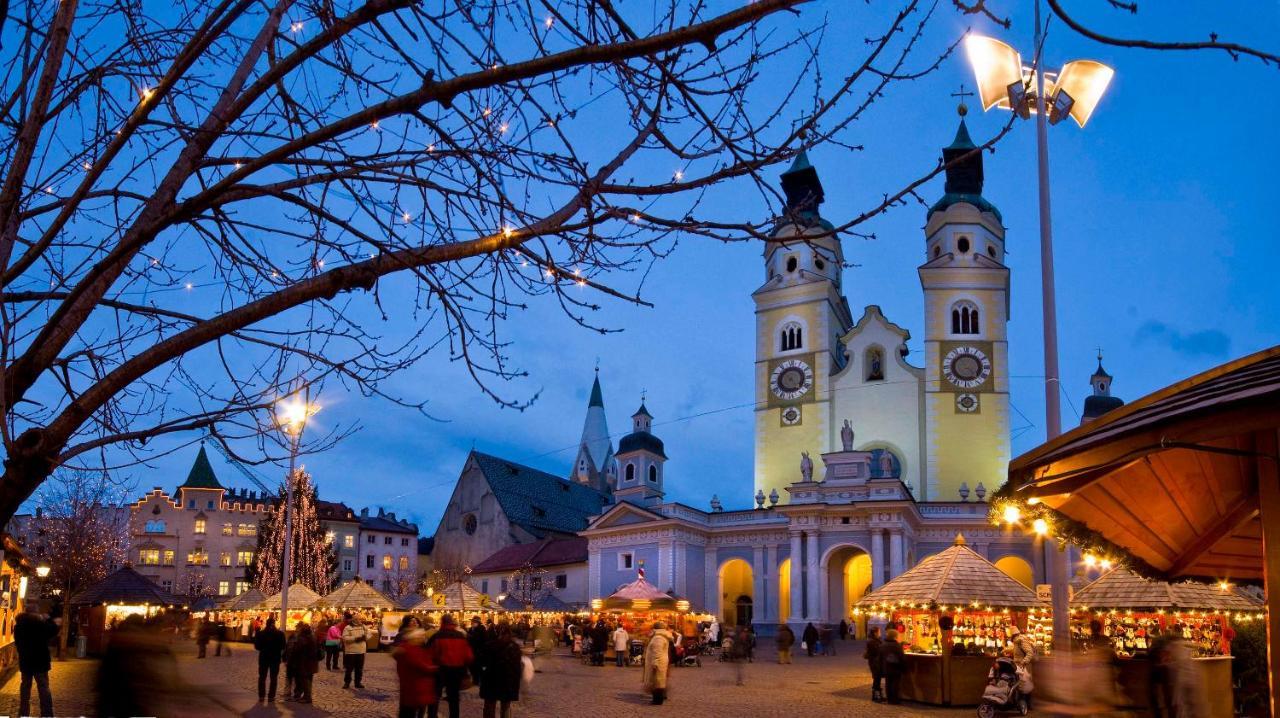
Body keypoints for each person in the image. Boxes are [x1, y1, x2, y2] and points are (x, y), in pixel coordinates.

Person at [427, 614, 474, 718]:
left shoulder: (437, 636)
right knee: (454, 698)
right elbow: (469, 656)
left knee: (435, 696)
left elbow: (430, 655)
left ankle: (432, 715)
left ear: (442, 622)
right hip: (457, 671)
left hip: (440, 670)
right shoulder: (461, 636)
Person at [14, 605, 57, 717]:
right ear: (36, 613)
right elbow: (53, 630)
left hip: (26, 662)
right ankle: (46, 713)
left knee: (25, 687)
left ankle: (23, 713)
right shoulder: (41, 624)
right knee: (43, 687)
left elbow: (18, 644)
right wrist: (49, 619)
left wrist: (23, 654)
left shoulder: (19, 626)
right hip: (40, 662)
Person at [480, 622, 524, 718]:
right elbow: (518, 667)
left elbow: (483, 663)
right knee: (505, 707)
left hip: (491, 680)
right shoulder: (514, 647)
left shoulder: (489, 646)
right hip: (508, 681)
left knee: (489, 706)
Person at [393, 627, 438, 718]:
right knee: (410, 711)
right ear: (414, 638)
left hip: (412, 686)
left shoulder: (408, 648)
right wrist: (434, 668)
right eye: (420, 637)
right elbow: (421, 665)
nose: (422, 639)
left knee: (408, 710)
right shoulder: (411, 650)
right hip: (415, 686)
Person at [253, 616, 286, 702]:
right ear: (274, 624)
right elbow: (283, 646)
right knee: (273, 678)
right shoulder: (280, 634)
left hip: (264, 657)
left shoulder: (260, 634)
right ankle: (271, 696)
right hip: (275, 658)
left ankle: (261, 696)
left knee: (262, 677)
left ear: (266, 624)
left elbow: (257, 647)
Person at [643, 621, 675, 705]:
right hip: (662, 661)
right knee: (659, 680)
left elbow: (657, 651)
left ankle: (657, 700)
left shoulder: (658, 638)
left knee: (657, 681)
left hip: (658, 662)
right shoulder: (661, 636)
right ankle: (658, 698)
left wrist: (655, 662)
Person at [288, 622, 320, 703]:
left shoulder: (302, 639)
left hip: (304, 663)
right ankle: (306, 696)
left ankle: (307, 697)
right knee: (309, 679)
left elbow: (296, 650)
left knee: (305, 680)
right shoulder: (313, 637)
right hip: (313, 662)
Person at [342, 611, 370, 689]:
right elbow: (345, 638)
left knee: (359, 669)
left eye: (360, 619)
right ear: (353, 620)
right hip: (351, 652)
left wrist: (365, 637)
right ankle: (347, 682)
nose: (359, 620)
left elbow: (369, 635)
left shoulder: (363, 627)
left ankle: (358, 682)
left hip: (361, 651)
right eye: (357, 619)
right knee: (349, 668)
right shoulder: (348, 628)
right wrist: (356, 639)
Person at [881, 628, 906, 705]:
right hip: (895, 667)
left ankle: (889, 699)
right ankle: (895, 700)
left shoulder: (883, 644)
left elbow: (880, 657)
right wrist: (904, 667)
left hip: (886, 667)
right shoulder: (896, 646)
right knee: (895, 684)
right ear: (895, 636)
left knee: (888, 684)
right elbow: (901, 657)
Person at [864, 626, 884, 702]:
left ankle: (878, 695)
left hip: (875, 662)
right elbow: (877, 651)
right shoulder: (872, 641)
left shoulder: (875, 640)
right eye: (879, 632)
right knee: (876, 678)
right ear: (875, 633)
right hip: (875, 663)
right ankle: (876, 696)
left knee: (877, 678)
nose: (880, 633)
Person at [467, 616, 488, 685]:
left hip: (479, 651)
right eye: (472, 622)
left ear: (477, 623)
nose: (472, 623)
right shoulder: (471, 629)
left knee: (479, 667)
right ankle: (475, 680)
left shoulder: (482, 629)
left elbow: (482, 640)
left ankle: (480, 680)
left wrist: (471, 637)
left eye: (473, 622)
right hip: (472, 650)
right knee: (473, 667)